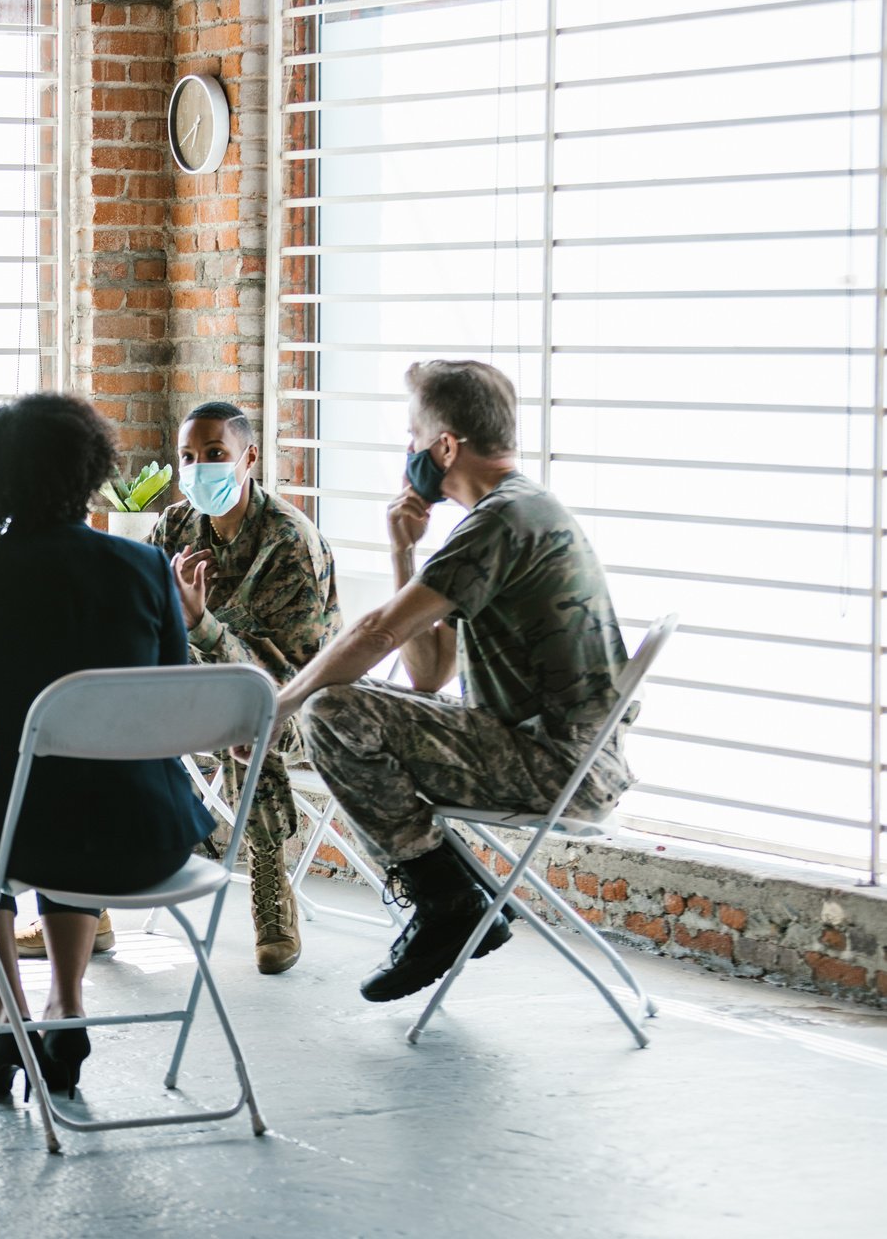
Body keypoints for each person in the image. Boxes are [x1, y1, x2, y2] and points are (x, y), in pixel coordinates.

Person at [264, 359, 636, 1002]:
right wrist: (405, 550)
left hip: (556, 764)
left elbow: (377, 632)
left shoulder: (499, 522)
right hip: (561, 753)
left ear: (444, 446)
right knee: (344, 703)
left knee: (329, 711)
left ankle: (447, 903)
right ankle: (457, 895)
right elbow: (430, 675)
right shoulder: (519, 509)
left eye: (413, 437)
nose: (407, 452)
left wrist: (280, 704)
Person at [0, 394, 215, 1099]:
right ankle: (68, 1004)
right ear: (89, 470)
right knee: (75, 799)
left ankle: (10, 1014)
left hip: (32, 830)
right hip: (153, 835)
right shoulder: (146, 566)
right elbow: (173, 710)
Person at [13, 402, 340, 975]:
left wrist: (203, 626)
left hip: (296, 712)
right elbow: (144, 626)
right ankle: (89, 904)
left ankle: (270, 885)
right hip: (194, 695)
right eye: (188, 457)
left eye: (215, 455)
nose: (199, 468)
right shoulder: (175, 527)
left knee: (243, 714)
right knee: (90, 722)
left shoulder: (290, 543)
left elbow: (288, 680)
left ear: (250, 457)